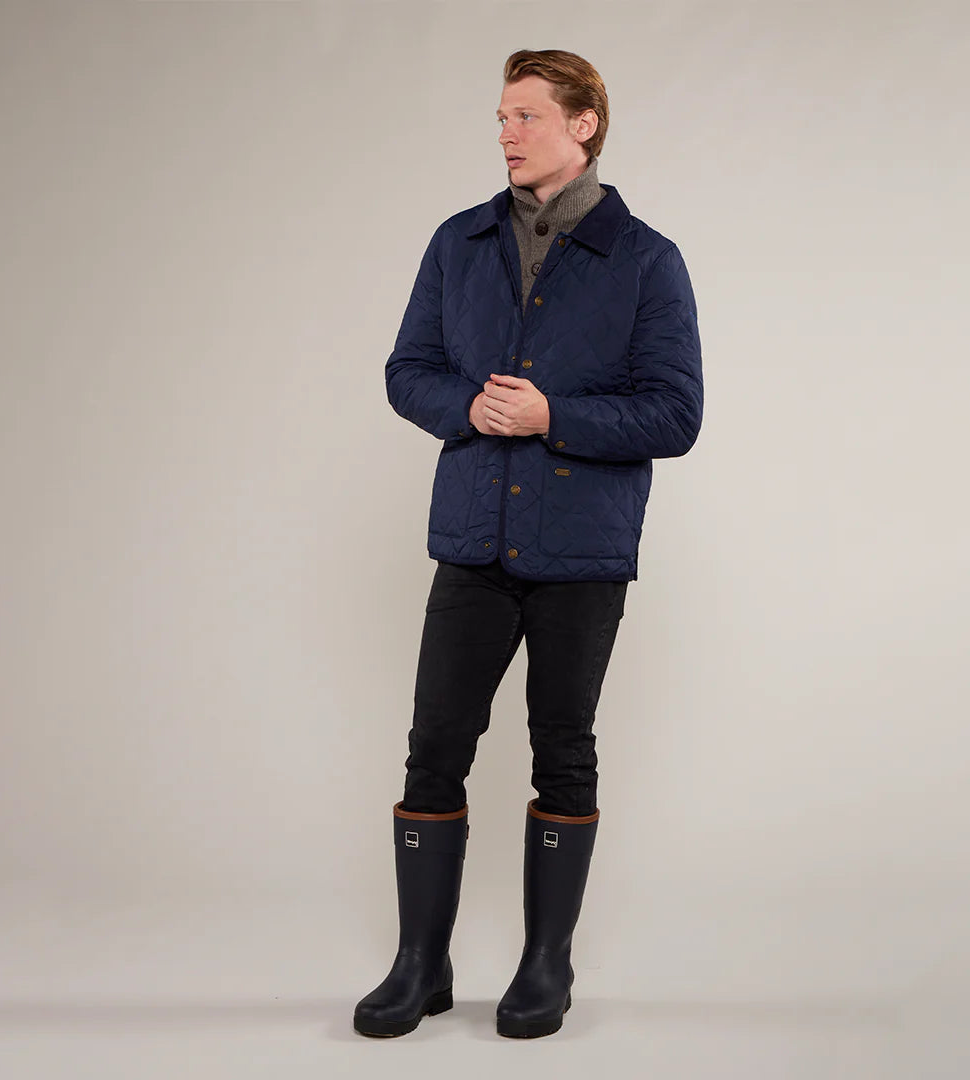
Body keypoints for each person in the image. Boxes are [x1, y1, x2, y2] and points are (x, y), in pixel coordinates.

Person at [353, 48, 703, 1040]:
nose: (505, 132)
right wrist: (468, 405)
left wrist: (554, 415)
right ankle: (420, 965)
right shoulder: (459, 242)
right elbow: (408, 369)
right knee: (433, 749)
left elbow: (675, 413)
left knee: (564, 751)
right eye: (500, 117)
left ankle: (547, 965)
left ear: (583, 124)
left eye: (525, 115)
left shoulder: (646, 260)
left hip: (582, 552)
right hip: (472, 541)